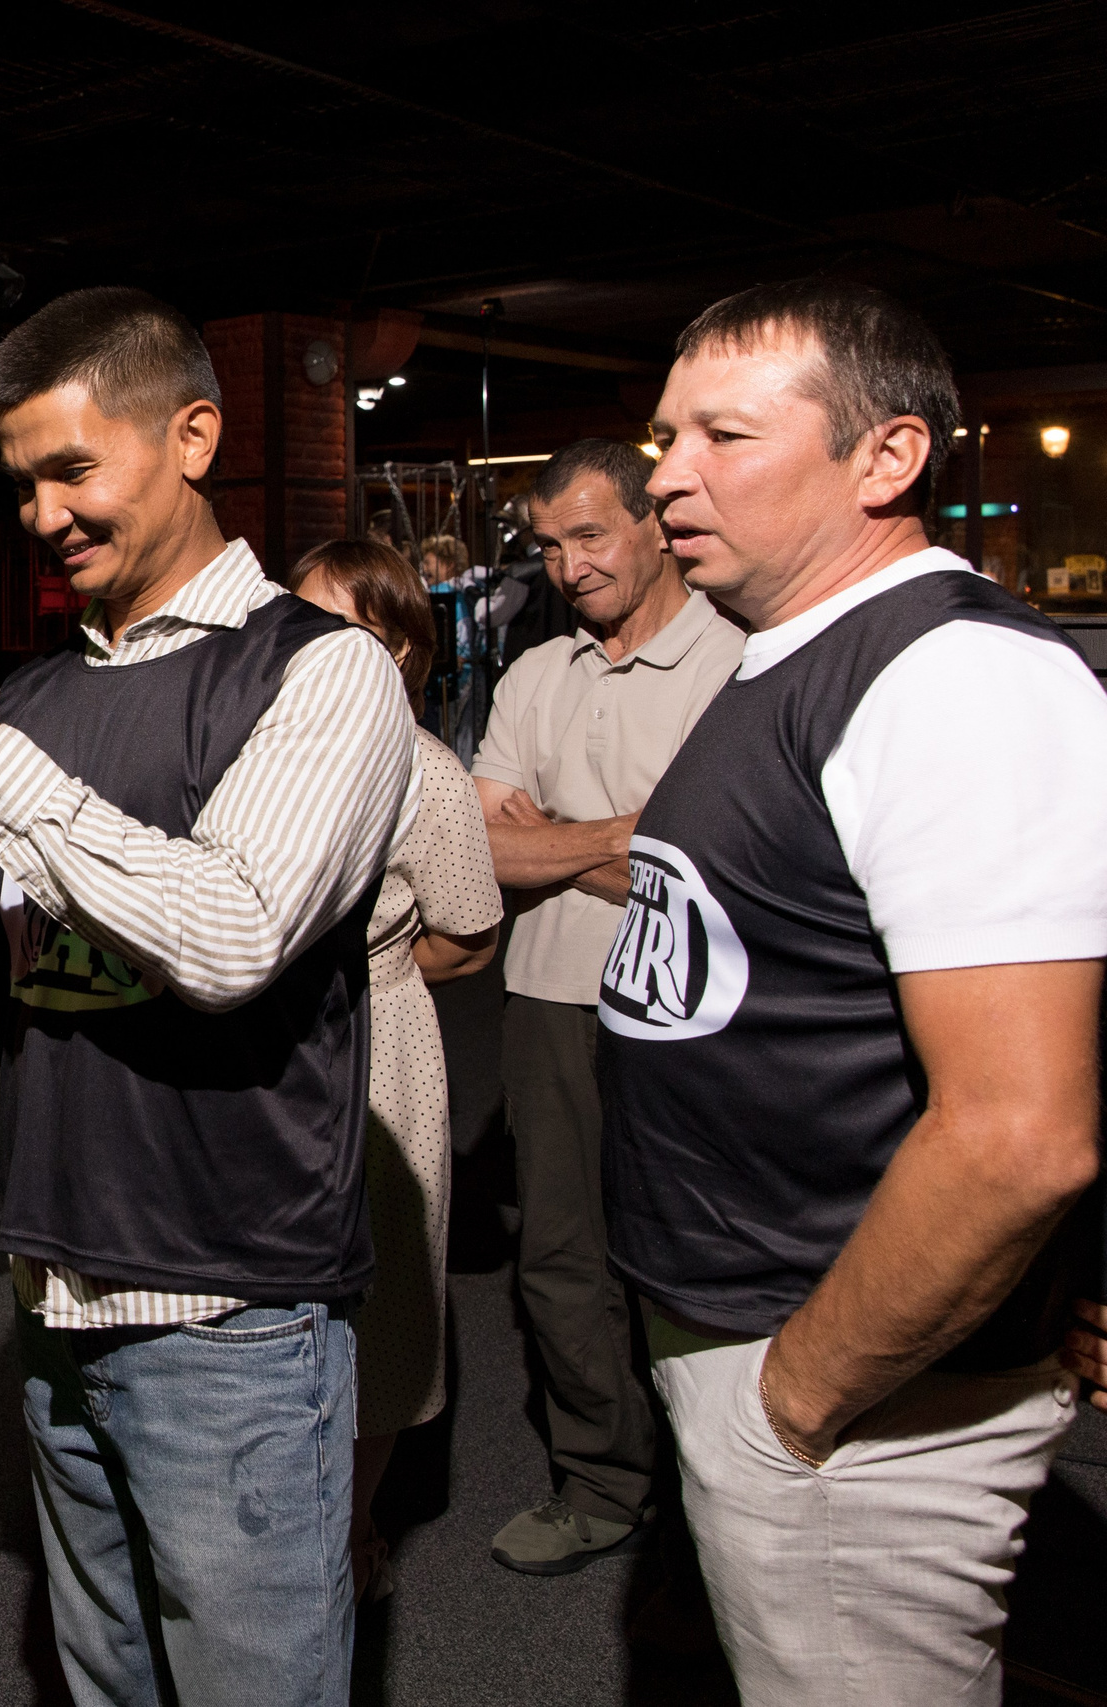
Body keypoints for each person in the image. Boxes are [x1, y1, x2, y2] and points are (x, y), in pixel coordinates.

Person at [0, 286, 418, 1707]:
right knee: (110, 1684)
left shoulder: (316, 675)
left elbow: (229, 932)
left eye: (74, 469)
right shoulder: (42, 693)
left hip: (233, 1310)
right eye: (22, 483)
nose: (42, 514)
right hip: (59, 1287)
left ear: (192, 434)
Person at [608, 278, 1106, 1705]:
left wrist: (799, 1398)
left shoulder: (956, 679)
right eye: (663, 434)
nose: (666, 472)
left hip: (857, 1388)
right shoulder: (797, 656)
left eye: (722, 435)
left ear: (887, 458)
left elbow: (1021, 1130)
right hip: (764, 1333)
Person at [467, 437, 743, 1575]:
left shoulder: (737, 661)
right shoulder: (536, 674)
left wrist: (549, 842)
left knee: (700, 1246)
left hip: (690, 1009)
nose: (568, 565)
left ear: (652, 525)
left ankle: (722, 1484)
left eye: (589, 536)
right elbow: (475, 851)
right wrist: (618, 836)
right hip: (545, 998)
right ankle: (600, 1479)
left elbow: (708, 869)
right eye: (548, 545)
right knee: (561, 1254)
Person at [287, 540, 502, 1602]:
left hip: (380, 1044)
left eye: (347, 626)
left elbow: (468, 937)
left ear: (403, 650)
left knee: (384, 1294)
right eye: (301, 619)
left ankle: (353, 1518)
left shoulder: (426, 773)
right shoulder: (250, 754)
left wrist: (363, 971)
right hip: (265, 1039)